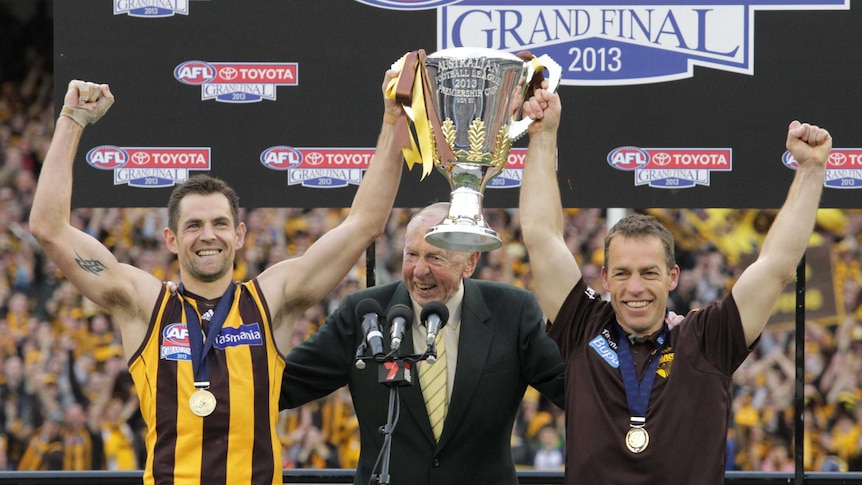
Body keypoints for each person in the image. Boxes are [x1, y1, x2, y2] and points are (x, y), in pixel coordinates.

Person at [28, 73, 405, 484]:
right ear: (171, 239)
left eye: (220, 223)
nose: (208, 235)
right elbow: (48, 227)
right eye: (193, 226)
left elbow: (364, 224)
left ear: (239, 235)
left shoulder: (271, 300)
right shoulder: (143, 304)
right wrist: (72, 118)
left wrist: (393, 120)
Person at [518, 84, 831, 483]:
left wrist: (810, 169)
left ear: (672, 277)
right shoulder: (583, 324)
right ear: (605, 279)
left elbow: (776, 266)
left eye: (649, 273)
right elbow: (541, 236)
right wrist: (543, 135)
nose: (635, 287)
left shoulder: (708, 338)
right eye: (622, 273)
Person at [280, 202, 566, 485]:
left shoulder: (512, 311)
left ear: (470, 262)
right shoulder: (364, 314)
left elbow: (573, 390)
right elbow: (282, 384)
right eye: (411, 254)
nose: (419, 271)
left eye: (434, 258)